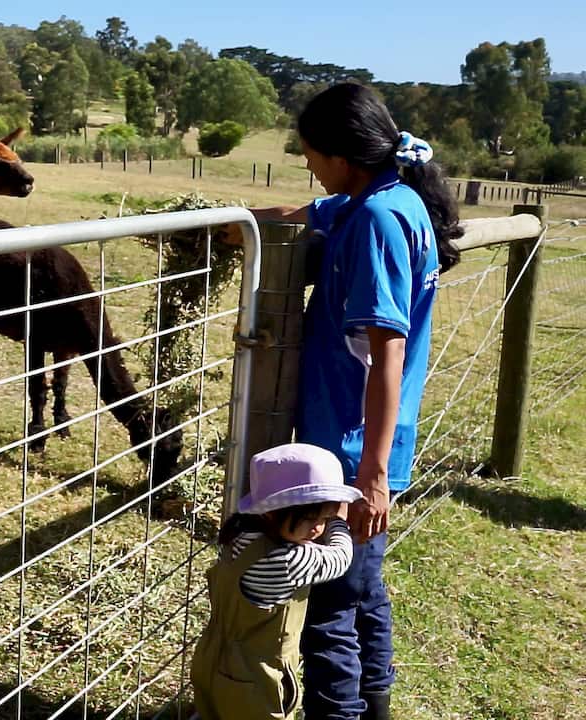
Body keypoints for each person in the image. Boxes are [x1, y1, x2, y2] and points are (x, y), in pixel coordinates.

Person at [246, 82, 463, 720]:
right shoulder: (382, 201)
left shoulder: (374, 221)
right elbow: (301, 215)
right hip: (362, 445)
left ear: (342, 156)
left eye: (311, 153)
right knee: (365, 592)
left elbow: (386, 347)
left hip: (349, 449)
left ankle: (340, 713)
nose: (309, 165)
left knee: (330, 610)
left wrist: (369, 475)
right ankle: (377, 709)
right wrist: (237, 225)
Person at [191, 443, 361, 720]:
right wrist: (339, 523)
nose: (318, 528)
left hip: (212, 659)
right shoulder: (288, 560)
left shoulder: (240, 536)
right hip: (257, 679)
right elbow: (341, 558)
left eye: (325, 518)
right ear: (272, 511)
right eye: (309, 519)